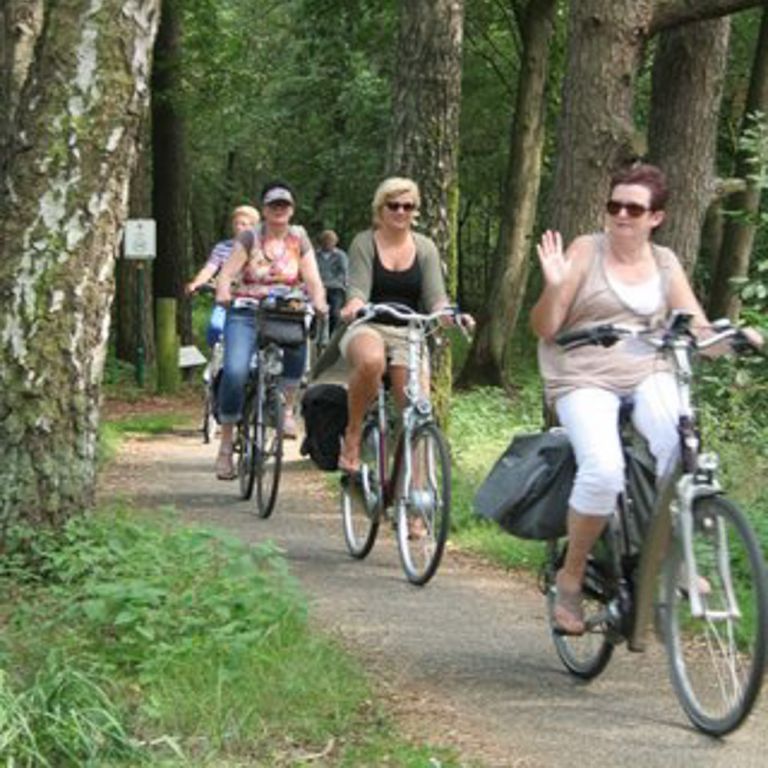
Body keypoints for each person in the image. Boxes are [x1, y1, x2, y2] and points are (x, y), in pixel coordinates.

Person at [530, 162, 762, 635]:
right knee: (603, 470)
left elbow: (698, 333)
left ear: (656, 217)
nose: (621, 215)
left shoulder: (665, 262)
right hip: (583, 374)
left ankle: (671, 552)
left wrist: (738, 336)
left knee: (681, 448)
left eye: (633, 209)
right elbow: (545, 328)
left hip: (649, 371)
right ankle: (571, 577)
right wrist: (554, 287)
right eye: (614, 205)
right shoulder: (586, 251)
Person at [337, 176, 473, 474]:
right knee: (371, 361)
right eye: (393, 205)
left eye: (407, 206)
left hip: (408, 333)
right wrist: (354, 306)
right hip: (368, 325)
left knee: (416, 410)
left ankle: (415, 495)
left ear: (415, 211)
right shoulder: (364, 242)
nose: (400, 211)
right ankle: (353, 434)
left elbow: (436, 297)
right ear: (380, 209)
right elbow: (358, 290)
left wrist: (449, 314)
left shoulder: (425, 248)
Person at [214, 181, 328, 480]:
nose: (279, 210)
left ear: (292, 210)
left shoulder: (299, 238)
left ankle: (287, 409)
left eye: (284, 205)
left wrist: (319, 301)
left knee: (298, 347)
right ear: (264, 210)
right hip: (247, 310)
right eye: (273, 205)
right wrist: (224, 291)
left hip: (284, 310)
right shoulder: (250, 237)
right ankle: (226, 443)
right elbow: (227, 273)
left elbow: (313, 278)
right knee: (235, 371)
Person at [186, 205, 261, 297]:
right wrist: (196, 283)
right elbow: (209, 268)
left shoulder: (262, 248)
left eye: (244, 224)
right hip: (225, 293)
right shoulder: (222, 247)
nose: (239, 227)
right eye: (236, 223)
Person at [315, 229, 348, 335]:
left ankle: (333, 335)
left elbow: (344, 273)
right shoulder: (315, 255)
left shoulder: (340, 256)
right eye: (326, 241)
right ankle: (313, 335)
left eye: (330, 241)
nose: (328, 243)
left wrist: (343, 285)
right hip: (318, 287)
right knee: (312, 310)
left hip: (335, 288)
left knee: (335, 313)